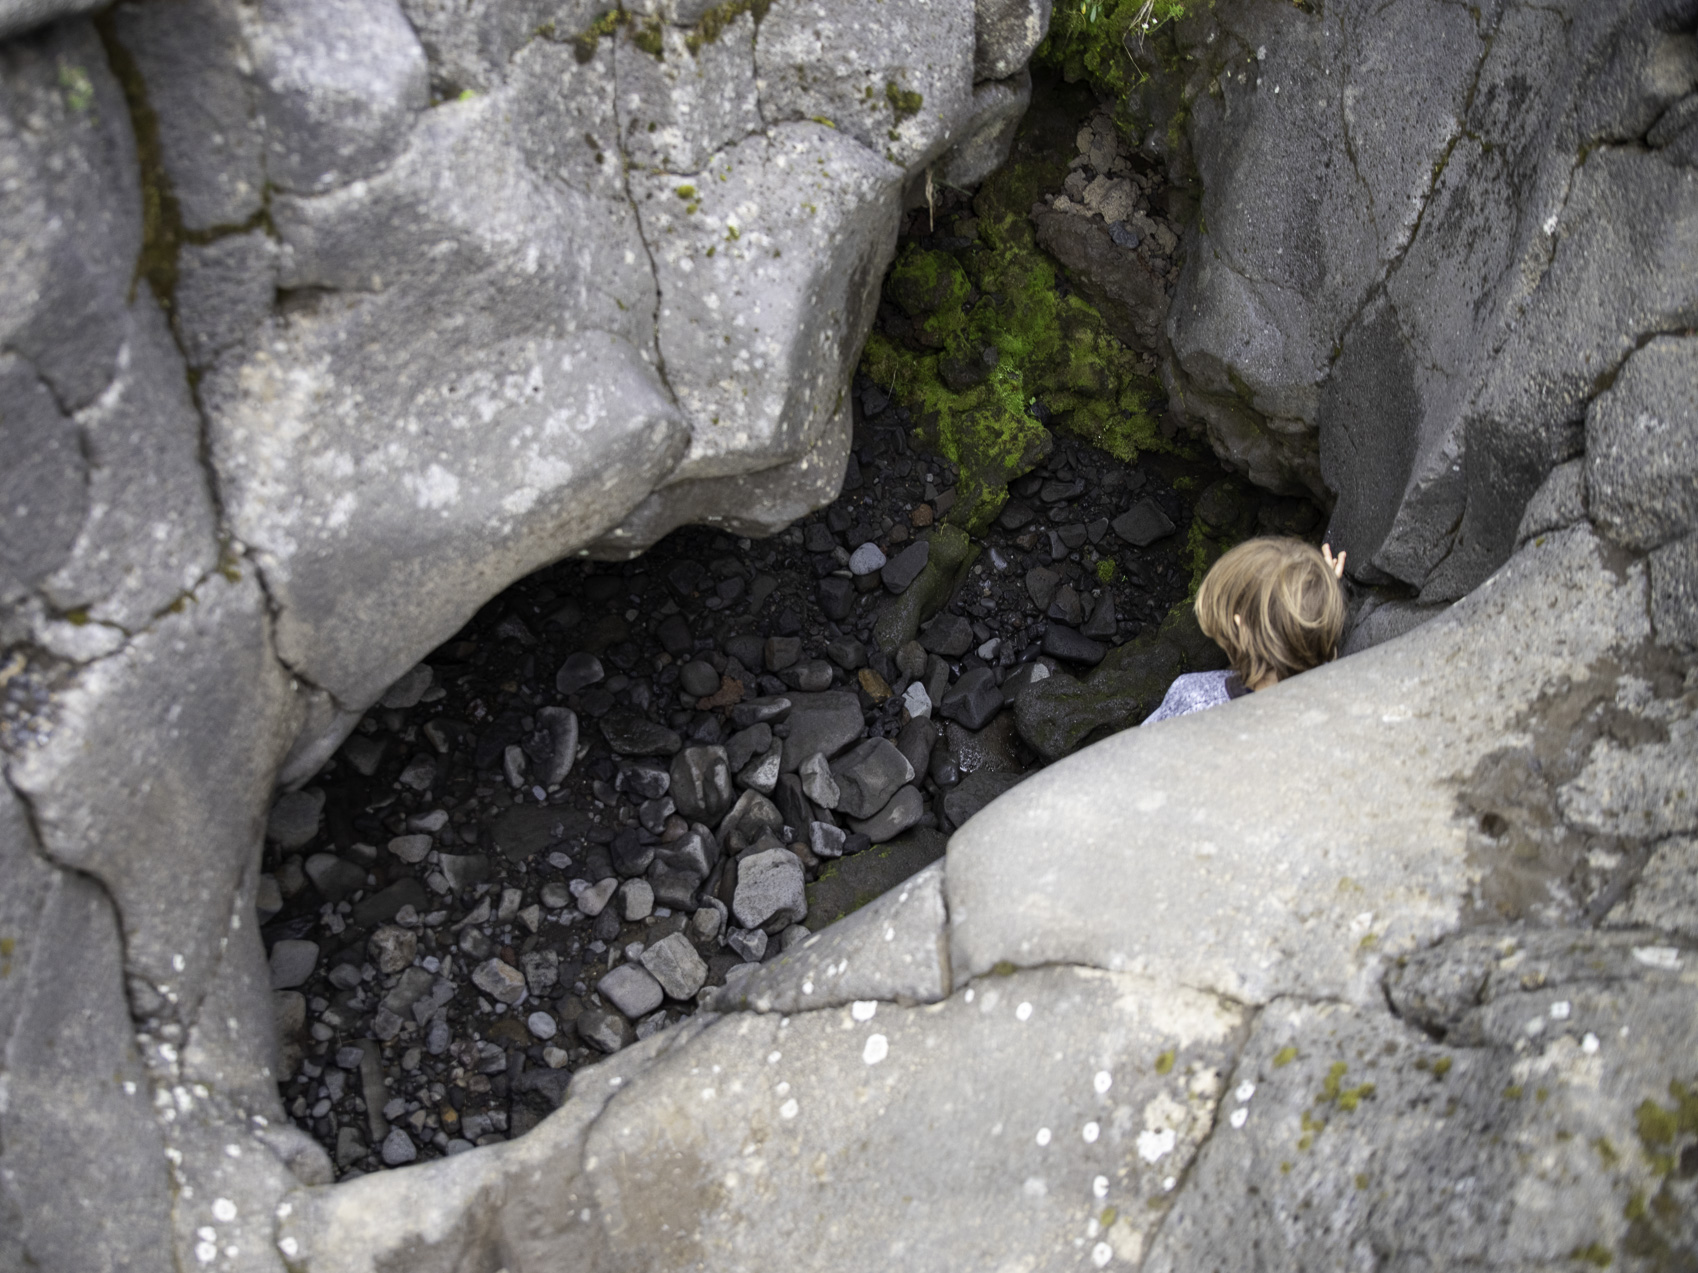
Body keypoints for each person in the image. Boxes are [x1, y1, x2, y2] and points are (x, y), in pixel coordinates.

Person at [1142, 537, 1346, 725]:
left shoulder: (1194, 701)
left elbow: (1137, 750)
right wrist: (1319, 597)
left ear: (1241, 629)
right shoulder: (1332, 690)